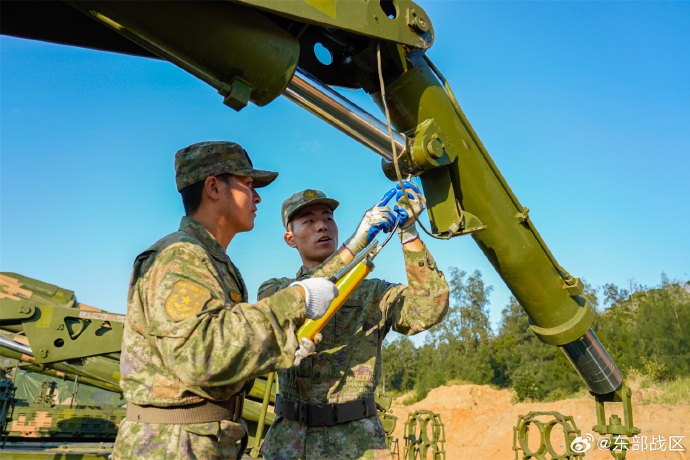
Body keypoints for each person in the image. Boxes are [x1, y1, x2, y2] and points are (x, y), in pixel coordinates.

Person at [112, 141, 338, 460]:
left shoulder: (211, 260)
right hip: (173, 446)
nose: (257, 196)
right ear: (214, 187)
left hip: (197, 441)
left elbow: (221, 345)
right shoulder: (180, 257)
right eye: (247, 184)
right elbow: (201, 357)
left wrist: (281, 343)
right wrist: (297, 299)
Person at [258, 184, 450, 459]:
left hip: (359, 445)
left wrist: (409, 234)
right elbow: (295, 302)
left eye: (327, 218)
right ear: (290, 238)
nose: (322, 226)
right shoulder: (276, 290)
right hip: (290, 442)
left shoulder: (373, 292)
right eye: (309, 221)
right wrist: (355, 244)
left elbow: (429, 308)